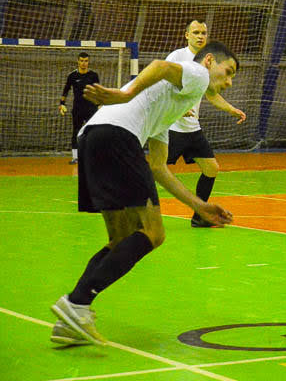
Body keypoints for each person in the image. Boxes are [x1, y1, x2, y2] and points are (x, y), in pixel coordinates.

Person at [49, 41, 238, 346]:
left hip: (94, 137)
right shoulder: (197, 73)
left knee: (121, 239)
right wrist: (124, 94)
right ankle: (77, 303)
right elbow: (161, 65)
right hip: (118, 136)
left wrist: (199, 205)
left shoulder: (168, 106)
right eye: (227, 72)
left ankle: (75, 312)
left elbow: (159, 167)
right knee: (154, 232)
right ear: (209, 61)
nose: (228, 82)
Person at [166, 20, 246, 228]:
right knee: (153, 171)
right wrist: (180, 107)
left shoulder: (208, 62)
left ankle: (200, 216)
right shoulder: (177, 57)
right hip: (171, 128)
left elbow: (211, 93)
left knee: (211, 168)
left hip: (193, 129)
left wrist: (231, 109)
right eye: (196, 32)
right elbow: (163, 84)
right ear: (187, 35)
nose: (200, 36)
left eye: (204, 33)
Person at [59, 52, 100, 164]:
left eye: (86, 61)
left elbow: (98, 91)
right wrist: (62, 103)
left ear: (88, 62)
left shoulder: (93, 75)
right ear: (78, 61)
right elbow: (65, 90)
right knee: (76, 132)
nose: (83, 63)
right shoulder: (72, 76)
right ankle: (75, 157)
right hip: (77, 109)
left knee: (93, 133)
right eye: (81, 61)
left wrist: (100, 104)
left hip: (91, 108)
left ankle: (94, 157)